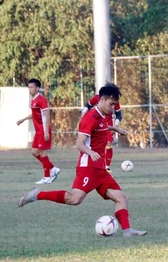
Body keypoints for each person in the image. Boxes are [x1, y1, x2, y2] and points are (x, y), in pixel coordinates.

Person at [18, 84, 147, 237]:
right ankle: (37, 195)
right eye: (111, 104)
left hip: (100, 169)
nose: (113, 108)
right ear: (102, 100)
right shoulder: (90, 118)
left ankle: (127, 231)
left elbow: (103, 127)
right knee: (74, 199)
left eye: (115, 105)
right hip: (89, 167)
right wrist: (91, 152)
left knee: (121, 198)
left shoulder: (103, 115)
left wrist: (116, 129)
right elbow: (79, 143)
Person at [17, 79, 60, 184]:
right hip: (38, 131)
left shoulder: (41, 99)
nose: (30, 89)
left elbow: (47, 114)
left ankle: (47, 177)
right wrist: (23, 119)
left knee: (42, 152)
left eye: (31, 87)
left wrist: (46, 131)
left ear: (37, 88)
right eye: (29, 87)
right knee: (34, 152)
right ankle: (53, 169)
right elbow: (35, 114)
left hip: (43, 130)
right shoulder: (33, 100)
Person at [82, 86, 122, 171]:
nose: (113, 106)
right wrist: (83, 114)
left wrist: (116, 127)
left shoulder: (114, 101)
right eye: (111, 104)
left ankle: (106, 166)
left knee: (108, 144)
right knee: (98, 144)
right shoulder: (95, 102)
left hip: (108, 124)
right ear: (102, 99)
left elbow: (119, 115)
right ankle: (100, 165)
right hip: (98, 123)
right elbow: (88, 105)